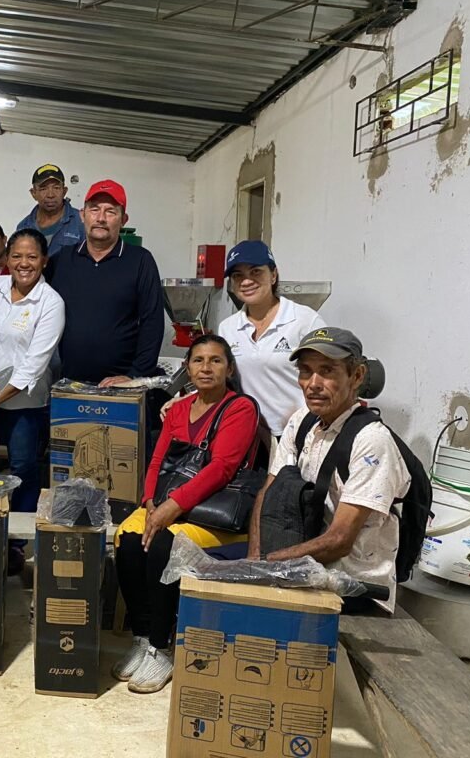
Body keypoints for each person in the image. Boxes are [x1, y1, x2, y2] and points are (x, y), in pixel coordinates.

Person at [113, 334, 260, 694]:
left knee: (164, 548)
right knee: (128, 540)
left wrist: (169, 508)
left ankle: (163, 647)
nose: (206, 368)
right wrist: (150, 501)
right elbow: (158, 459)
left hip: (213, 512)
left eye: (215, 361)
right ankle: (143, 636)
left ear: (230, 368)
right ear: (187, 367)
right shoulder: (178, 408)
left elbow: (222, 468)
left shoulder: (240, 408)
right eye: (198, 360)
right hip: (166, 504)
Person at [247, 328, 411, 613]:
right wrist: (254, 560)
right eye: (306, 371)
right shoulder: (302, 422)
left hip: (355, 588)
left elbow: (339, 541)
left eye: (327, 371)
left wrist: (269, 565)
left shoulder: (371, 442)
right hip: (301, 570)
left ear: (357, 376)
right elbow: (268, 491)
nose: (313, 384)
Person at [0, 228, 64, 569]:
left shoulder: (51, 303)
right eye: (17, 256)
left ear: (44, 261)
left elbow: (32, 367)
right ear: (7, 259)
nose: (24, 264)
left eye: (32, 257)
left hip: (25, 404)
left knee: (22, 468)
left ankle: (18, 543)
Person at [45, 180, 164, 386]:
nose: (101, 218)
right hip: (69, 383)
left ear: (123, 219)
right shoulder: (62, 260)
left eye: (110, 211)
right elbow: (28, 291)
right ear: (83, 215)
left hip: (122, 385)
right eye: (94, 209)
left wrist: (135, 376)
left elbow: (152, 322)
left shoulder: (140, 261)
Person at [217, 240, 327, 438]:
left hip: (304, 433)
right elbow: (221, 381)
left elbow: (328, 377)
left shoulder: (304, 320)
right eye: (238, 275)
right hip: (254, 436)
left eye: (255, 272)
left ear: (273, 274)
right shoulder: (227, 328)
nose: (246, 281)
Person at [15, 164, 85, 257]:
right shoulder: (23, 227)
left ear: (64, 191)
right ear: (33, 193)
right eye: (43, 189)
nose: (50, 195)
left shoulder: (81, 222)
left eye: (56, 188)